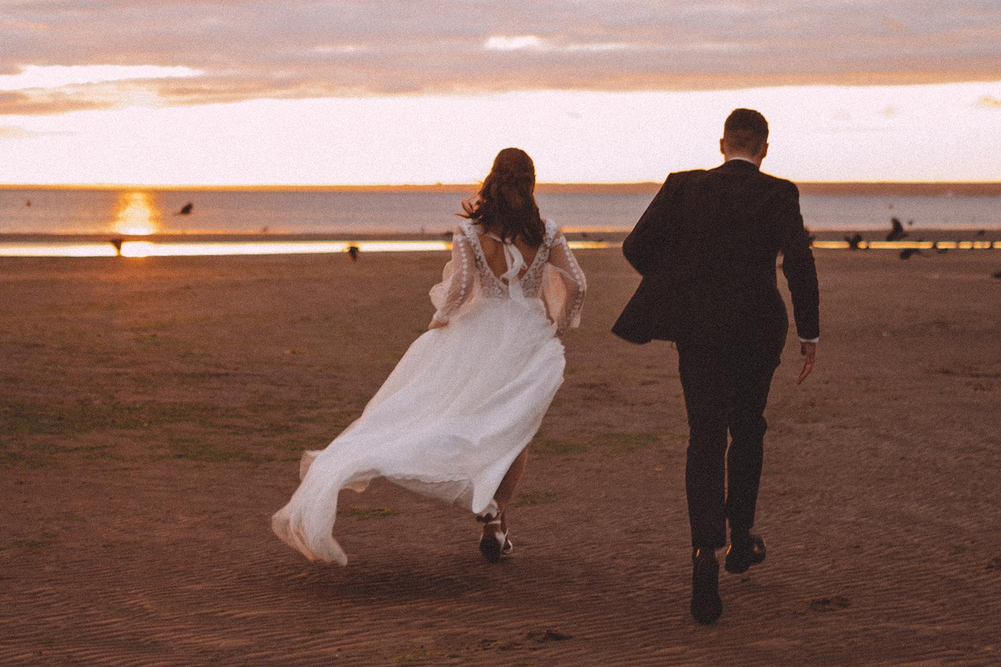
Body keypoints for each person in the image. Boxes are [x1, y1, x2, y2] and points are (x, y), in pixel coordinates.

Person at [271, 148, 586, 566]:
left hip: (478, 334)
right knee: (514, 429)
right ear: (531, 183)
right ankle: (494, 518)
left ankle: (494, 517)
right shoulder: (547, 233)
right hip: (527, 336)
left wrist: (442, 320)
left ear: (493, 179)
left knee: (454, 417)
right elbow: (577, 284)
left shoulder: (471, 232)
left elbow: (461, 288)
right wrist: (555, 323)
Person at [612, 107, 819, 625]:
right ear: (764, 149)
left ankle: (706, 552)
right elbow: (799, 262)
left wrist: (682, 280)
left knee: (704, 435)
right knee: (747, 429)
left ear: (722, 144)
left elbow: (636, 247)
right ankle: (741, 540)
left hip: (700, 328)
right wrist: (809, 333)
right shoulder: (780, 193)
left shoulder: (683, 186)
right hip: (757, 327)